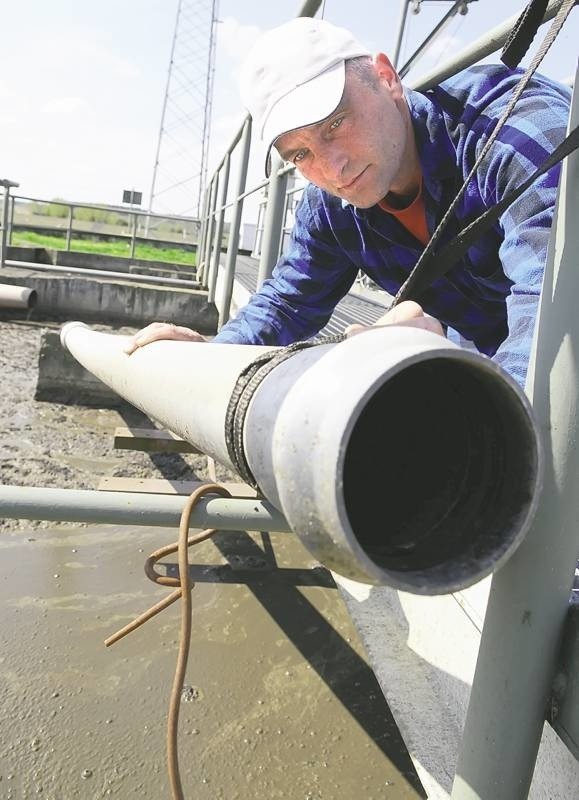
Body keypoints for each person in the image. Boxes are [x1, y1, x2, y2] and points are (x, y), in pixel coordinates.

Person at [126, 17, 571, 387]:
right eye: (299, 154)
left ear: (386, 77)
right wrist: (209, 360)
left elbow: (555, 309)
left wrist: (475, 405)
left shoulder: (510, 132)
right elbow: (288, 302)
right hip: (501, 357)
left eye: (335, 123)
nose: (333, 169)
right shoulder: (331, 206)